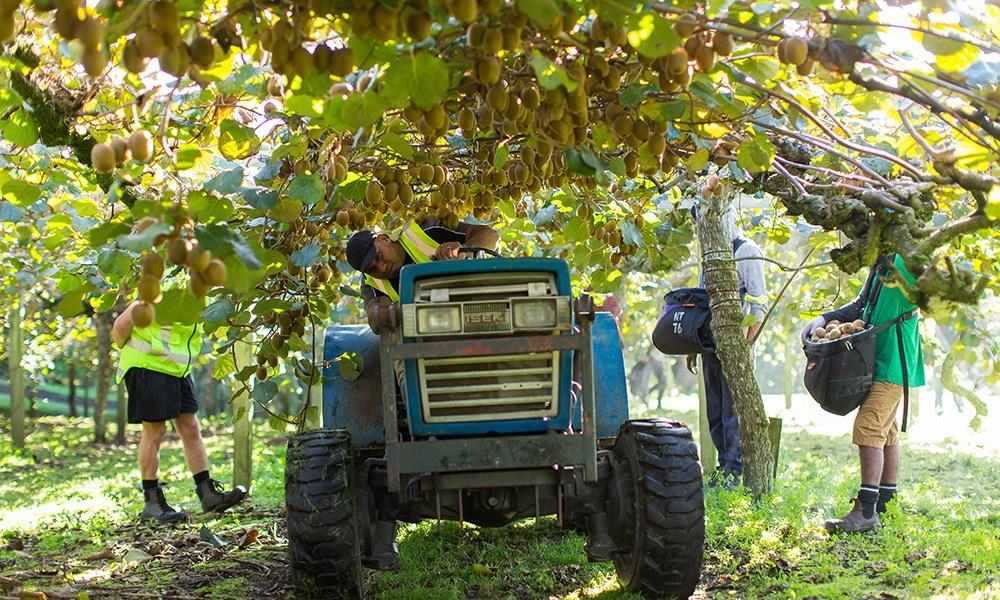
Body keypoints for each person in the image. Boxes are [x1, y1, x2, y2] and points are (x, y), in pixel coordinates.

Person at [802, 254, 924, 533]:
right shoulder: (883, 260)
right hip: (874, 357)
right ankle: (885, 504)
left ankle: (866, 511)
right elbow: (861, 304)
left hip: (895, 360)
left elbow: (933, 295)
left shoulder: (913, 259)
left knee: (869, 426)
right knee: (886, 430)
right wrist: (825, 318)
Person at [112, 293, 247, 523]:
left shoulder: (200, 294)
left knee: (190, 427)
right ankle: (152, 503)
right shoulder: (162, 290)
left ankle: (207, 494)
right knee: (155, 431)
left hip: (176, 369)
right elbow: (119, 329)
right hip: (147, 365)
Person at [699, 205, 768, 485]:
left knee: (732, 410)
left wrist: (746, 342)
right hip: (709, 341)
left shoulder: (746, 250)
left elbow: (758, 300)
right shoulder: (710, 254)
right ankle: (722, 464)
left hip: (735, 341)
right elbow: (701, 299)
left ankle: (735, 469)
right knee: (715, 409)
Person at [346, 218, 499, 332]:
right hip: (433, 336)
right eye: (372, 269)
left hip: (480, 311)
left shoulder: (426, 229)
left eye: (379, 256)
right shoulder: (371, 284)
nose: (381, 267)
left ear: (384, 238)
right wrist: (382, 314)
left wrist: (464, 250)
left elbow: (489, 235)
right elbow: (376, 318)